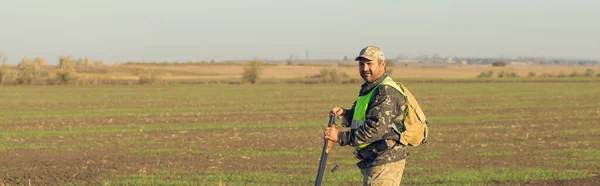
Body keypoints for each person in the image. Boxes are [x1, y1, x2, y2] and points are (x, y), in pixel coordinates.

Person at [324, 46, 408, 185]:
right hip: (374, 159)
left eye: (370, 64)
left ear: (382, 64)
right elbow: (365, 116)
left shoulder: (385, 90)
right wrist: (345, 114)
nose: (364, 68)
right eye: (361, 64)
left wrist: (339, 137)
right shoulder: (371, 87)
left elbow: (375, 129)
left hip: (385, 160)